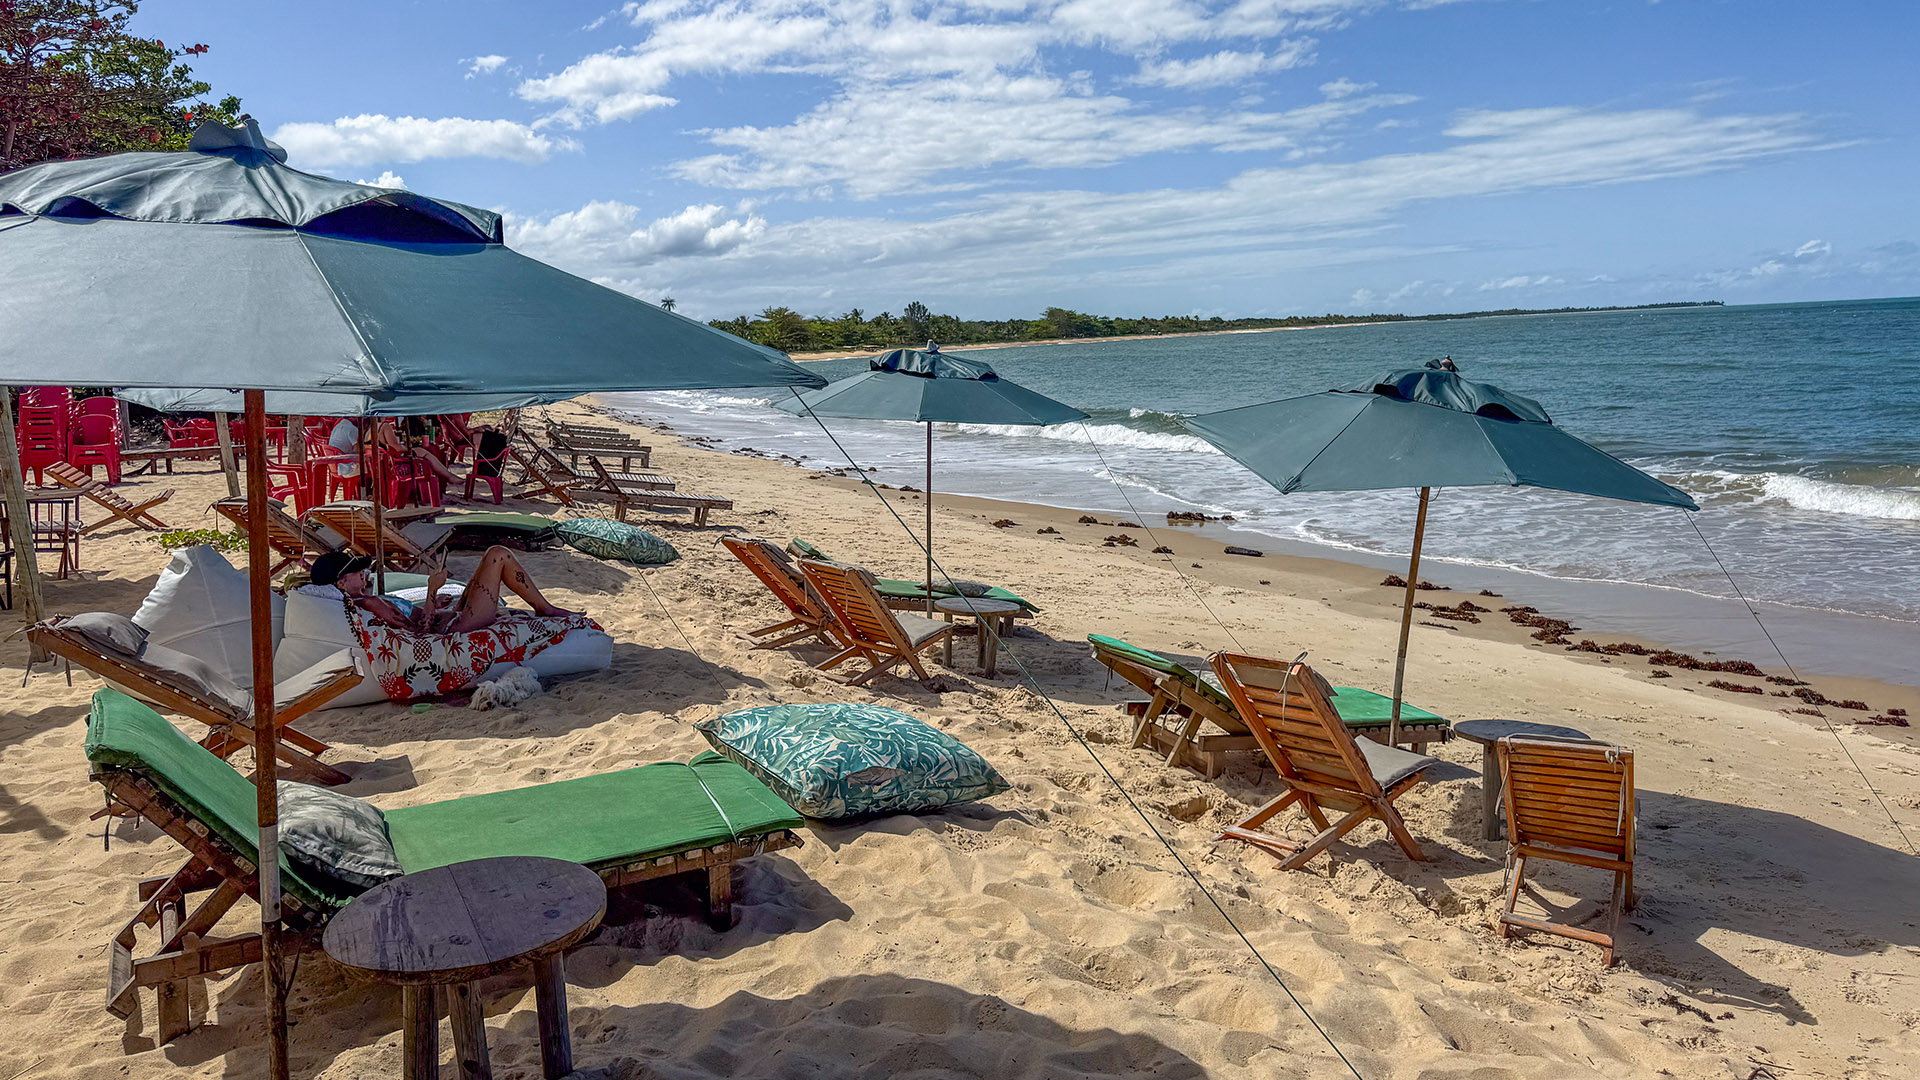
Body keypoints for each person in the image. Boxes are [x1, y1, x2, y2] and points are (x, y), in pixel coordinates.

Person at [308, 547, 579, 635]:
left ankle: (544, 607)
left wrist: (435, 603)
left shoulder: (367, 599)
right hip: (454, 628)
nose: (364, 574)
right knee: (497, 556)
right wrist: (430, 591)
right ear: (341, 583)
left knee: (489, 558)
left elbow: (416, 618)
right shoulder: (369, 605)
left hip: (449, 617)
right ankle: (544, 608)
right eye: (358, 572)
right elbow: (419, 634)